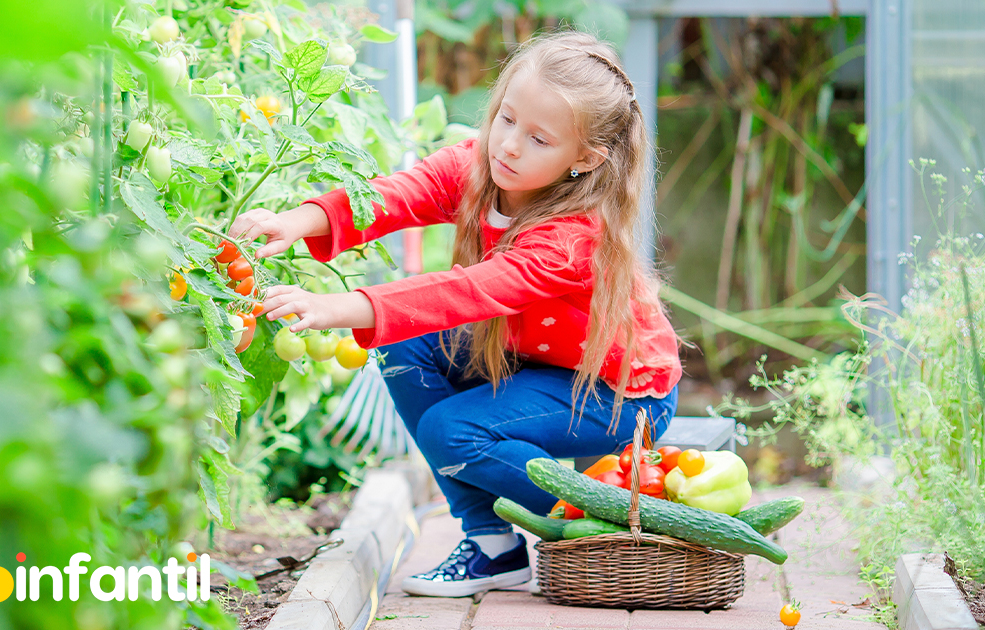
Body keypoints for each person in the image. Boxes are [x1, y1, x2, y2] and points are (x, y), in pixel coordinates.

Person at [226, 31, 683, 598]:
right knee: (404, 345)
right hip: (535, 362)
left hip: (621, 395)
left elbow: (464, 293)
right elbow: (398, 194)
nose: (508, 146)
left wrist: (334, 307)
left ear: (586, 158)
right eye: (506, 119)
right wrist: (297, 221)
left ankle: (612, 519)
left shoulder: (572, 238)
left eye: (538, 138)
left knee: (453, 431)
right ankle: (493, 547)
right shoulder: (480, 168)